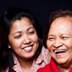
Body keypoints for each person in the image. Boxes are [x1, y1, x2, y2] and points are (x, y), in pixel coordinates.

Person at [0, 7, 50, 72]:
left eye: (31, 32)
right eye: (18, 36)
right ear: (8, 42)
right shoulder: (3, 68)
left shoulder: (52, 57)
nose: (27, 40)